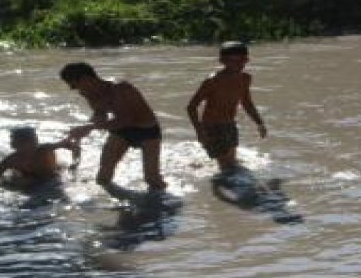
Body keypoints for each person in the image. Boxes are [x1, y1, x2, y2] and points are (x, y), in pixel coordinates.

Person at [60, 62, 168, 190]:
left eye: (73, 85)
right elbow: (100, 114)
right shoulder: (88, 93)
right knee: (102, 177)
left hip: (147, 130)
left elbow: (127, 120)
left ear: (85, 79)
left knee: (152, 179)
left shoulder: (121, 89)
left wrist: (90, 127)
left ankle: (163, 206)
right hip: (121, 131)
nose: (75, 90)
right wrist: (82, 131)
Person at [186, 41, 268, 172]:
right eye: (232, 61)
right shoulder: (212, 81)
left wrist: (259, 123)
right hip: (212, 127)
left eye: (242, 60)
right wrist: (199, 131)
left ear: (247, 60)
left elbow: (246, 103)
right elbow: (191, 107)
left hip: (230, 125)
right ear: (222, 61)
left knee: (232, 164)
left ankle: (202, 166)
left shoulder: (245, 78)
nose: (238, 65)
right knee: (226, 168)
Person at [0, 126, 80, 193]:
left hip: (51, 176)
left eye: (35, 141)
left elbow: (73, 147)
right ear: (14, 145)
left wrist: (75, 165)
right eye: (29, 142)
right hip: (28, 178)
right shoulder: (10, 161)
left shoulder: (45, 149)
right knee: (14, 184)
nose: (34, 144)